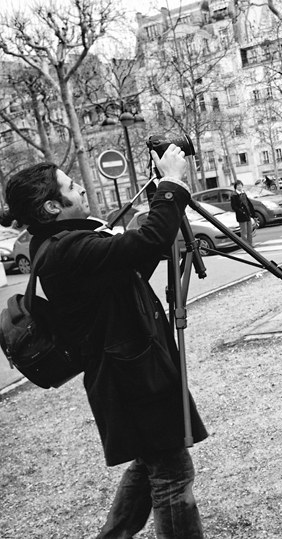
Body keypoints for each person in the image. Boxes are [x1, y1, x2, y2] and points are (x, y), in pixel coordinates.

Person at [1, 145, 207, 538]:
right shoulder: (66, 249)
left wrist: (158, 196)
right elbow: (145, 245)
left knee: (152, 464)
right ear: (51, 208)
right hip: (130, 377)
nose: (81, 190)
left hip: (127, 371)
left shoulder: (67, 244)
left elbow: (132, 265)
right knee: (171, 473)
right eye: (72, 186)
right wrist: (171, 184)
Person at [231, 179, 255, 245]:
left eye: (240, 185)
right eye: (238, 185)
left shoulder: (243, 193)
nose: (240, 186)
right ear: (235, 186)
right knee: (244, 232)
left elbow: (248, 203)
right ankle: (246, 245)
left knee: (249, 230)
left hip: (247, 214)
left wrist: (252, 212)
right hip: (241, 216)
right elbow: (233, 206)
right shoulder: (234, 195)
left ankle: (250, 243)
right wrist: (241, 211)